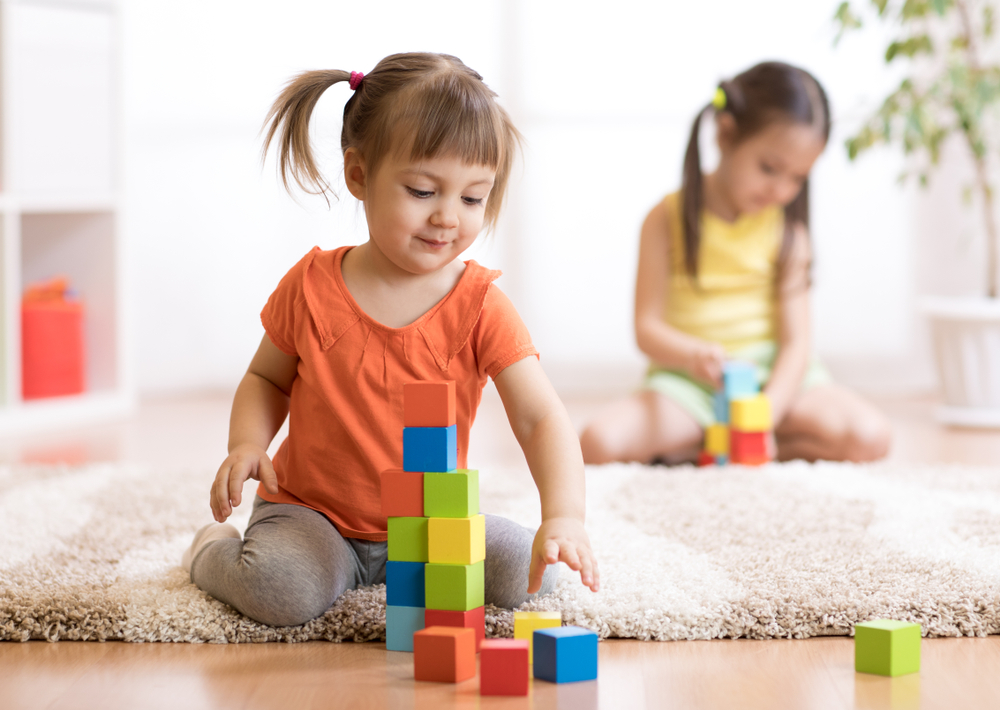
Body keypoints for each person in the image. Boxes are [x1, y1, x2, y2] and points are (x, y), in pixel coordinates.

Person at [181, 53, 599, 627]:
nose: (449, 217)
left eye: (472, 198)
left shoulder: (481, 305)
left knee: (537, 578)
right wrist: (247, 444)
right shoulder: (310, 286)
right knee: (281, 592)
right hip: (315, 517)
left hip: (432, 528)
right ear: (359, 175)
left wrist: (564, 516)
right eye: (423, 191)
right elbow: (265, 378)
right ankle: (209, 547)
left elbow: (540, 417)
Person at [580, 61, 891, 466]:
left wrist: (765, 415)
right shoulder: (664, 219)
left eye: (798, 178)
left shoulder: (790, 234)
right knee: (598, 442)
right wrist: (693, 354)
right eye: (769, 168)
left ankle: (721, 446)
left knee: (871, 436)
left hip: (775, 381)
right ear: (726, 134)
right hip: (691, 386)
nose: (782, 189)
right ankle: (718, 440)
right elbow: (646, 328)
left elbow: (797, 344)